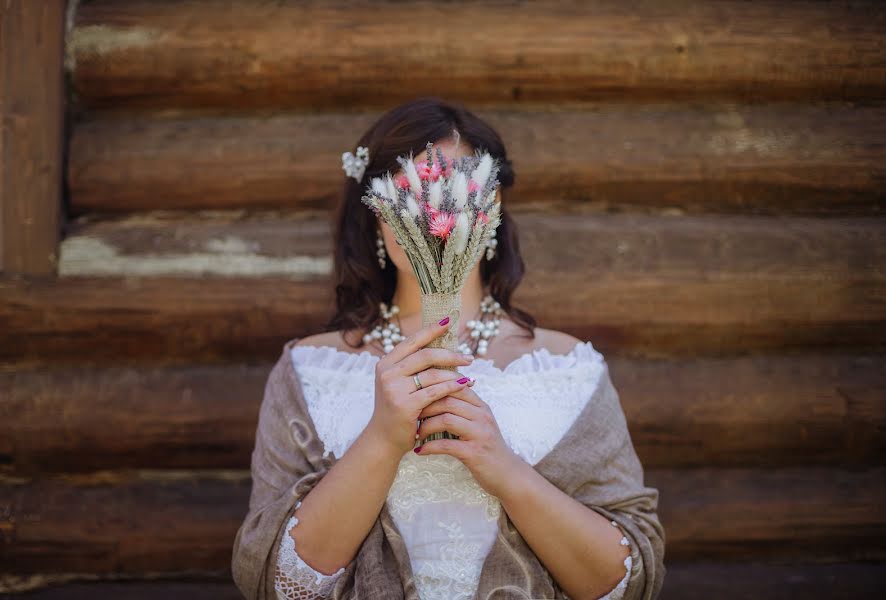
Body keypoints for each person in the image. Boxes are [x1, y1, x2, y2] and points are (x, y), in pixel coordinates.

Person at [232, 97, 665, 600]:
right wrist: (382, 440)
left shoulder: (570, 370)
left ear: (493, 204)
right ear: (377, 215)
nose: (433, 210)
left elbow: (626, 581)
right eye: (409, 192)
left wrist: (504, 469)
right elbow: (276, 584)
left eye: (453, 186)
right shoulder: (308, 371)